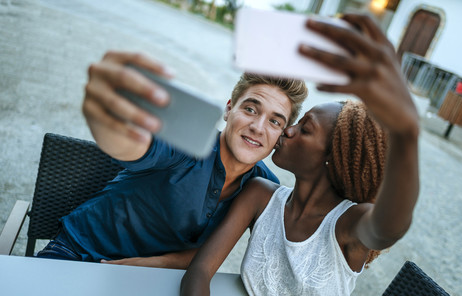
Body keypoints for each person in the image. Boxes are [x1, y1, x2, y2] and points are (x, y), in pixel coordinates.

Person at [180, 14, 419, 296]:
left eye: (305, 129)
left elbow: (393, 224)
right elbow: (199, 272)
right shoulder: (260, 196)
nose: (286, 131)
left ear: (332, 157)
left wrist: (407, 135)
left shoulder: (348, 223)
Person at [36, 53, 308, 267]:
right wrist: (108, 116)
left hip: (148, 278)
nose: (258, 127)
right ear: (228, 109)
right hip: (76, 253)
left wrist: (139, 267)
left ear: (281, 135)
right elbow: (131, 145)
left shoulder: (262, 187)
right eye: (250, 108)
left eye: (274, 121)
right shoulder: (185, 144)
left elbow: (208, 254)